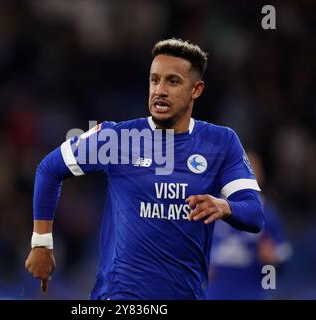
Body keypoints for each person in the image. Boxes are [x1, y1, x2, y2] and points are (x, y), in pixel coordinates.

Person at [25, 38, 265, 300]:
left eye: (173, 81)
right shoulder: (115, 138)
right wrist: (41, 242)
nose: (160, 90)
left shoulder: (221, 142)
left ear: (196, 90)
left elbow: (254, 214)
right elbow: (49, 169)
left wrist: (224, 206)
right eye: (154, 80)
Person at [206, 151, 292, 300]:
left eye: (251, 170)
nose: (244, 175)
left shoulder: (267, 212)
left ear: (261, 175)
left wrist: (272, 257)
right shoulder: (212, 205)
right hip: (214, 290)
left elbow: (283, 251)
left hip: (249, 290)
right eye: (239, 169)